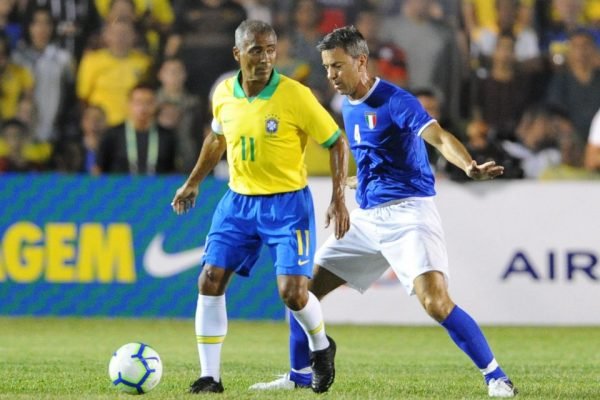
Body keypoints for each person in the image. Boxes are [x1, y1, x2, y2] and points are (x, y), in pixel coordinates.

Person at [250, 26, 517, 398]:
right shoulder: (346, 105)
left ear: (361, 62)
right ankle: (299, 375)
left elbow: (437, 137)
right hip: (368, 216)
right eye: (327, 67)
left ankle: (496, 377)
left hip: (409, 214)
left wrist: (468, 165)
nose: (331, 75)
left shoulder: (396, 100)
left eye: (338, 66)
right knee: (300, 291)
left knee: (435, 302)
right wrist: (354, 188)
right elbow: (371, 156)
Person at [170, 20, 350, 394]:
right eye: (256, 50)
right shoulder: (223, 93)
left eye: (271, 49)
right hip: (237, 202)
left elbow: (335, 141)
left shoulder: (295, 95)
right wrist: (193, 182)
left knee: (293, 293)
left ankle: (321, 348)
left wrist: (337, 196)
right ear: (237, 53)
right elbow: (216, 139)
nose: (266, 57)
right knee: (209, 279)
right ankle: (210, 377)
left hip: (287, 205)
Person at [96, 83, 176, 174]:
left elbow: (173, 172)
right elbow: (98, 170)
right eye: (138, 102)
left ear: (156, 105)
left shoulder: (167, 136)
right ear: (129, 104)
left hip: (157, 187)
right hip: (120, 187)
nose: (143, 108)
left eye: (148, 103)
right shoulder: (112, 135)